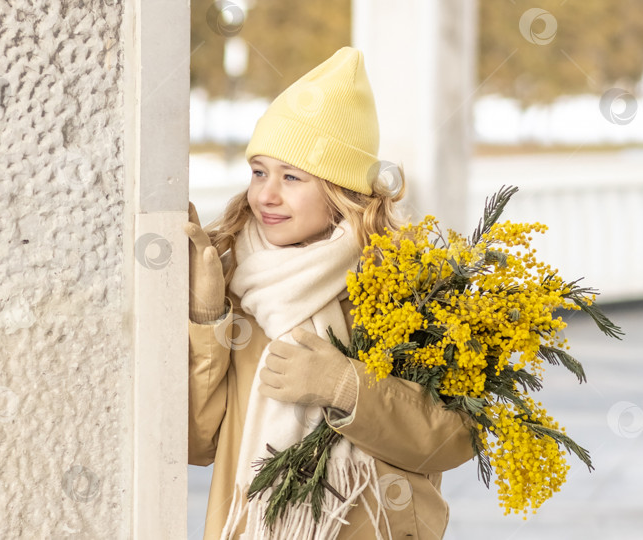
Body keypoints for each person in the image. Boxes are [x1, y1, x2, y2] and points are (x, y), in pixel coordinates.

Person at [185, 46, 475, 540]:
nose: (266, 196)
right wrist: (207, 314)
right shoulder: (239, 289)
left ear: (341, 190)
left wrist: (346, 387)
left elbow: (453, 437)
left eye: (291, 177)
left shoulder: (402, 287)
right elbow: (196, 442)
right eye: (259, 172)